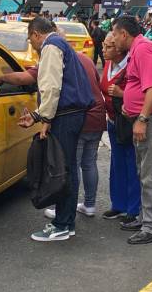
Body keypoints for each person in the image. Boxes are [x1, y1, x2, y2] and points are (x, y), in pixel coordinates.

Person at [18, 17, 95, 242]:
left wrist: (46, 119)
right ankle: (66, 222)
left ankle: (62, 224)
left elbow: (51, 87)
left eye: (30, 39)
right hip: (71, 115)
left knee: (63, 169)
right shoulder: (61, 44)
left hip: (65, 117)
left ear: (36, 34)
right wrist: (38, 115)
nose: (31, 44)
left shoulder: (51, 46)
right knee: (67, 167)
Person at [112, 15, 152, 244]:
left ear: (124, 33)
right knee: (143, 171)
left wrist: (142, 117)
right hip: (143, 118)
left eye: (114, 34)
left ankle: (151, 226)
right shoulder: (138, 50)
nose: (113, 40)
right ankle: (145, 219)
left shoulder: (143, 50)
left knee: (151, 173)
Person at [44, 52, 107, 219]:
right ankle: (90, 204)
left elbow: (50, 87)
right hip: (98, 115)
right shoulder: (86, 59)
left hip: (80, 117)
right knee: (89, 163)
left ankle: (65, 208)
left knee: (72, 165)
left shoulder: (59, 60)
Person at [100, 33, 141, 228]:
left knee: (132, 165)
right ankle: (118, 204)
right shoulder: (108, 63)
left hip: (129, 122)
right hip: (113, 121)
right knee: (116, 165)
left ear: (118, 49)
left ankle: (133, 209)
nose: (103, 49)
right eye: (103, 45)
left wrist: (121, 94)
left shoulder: (132, 63)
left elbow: (144, 93)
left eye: (108, 46)